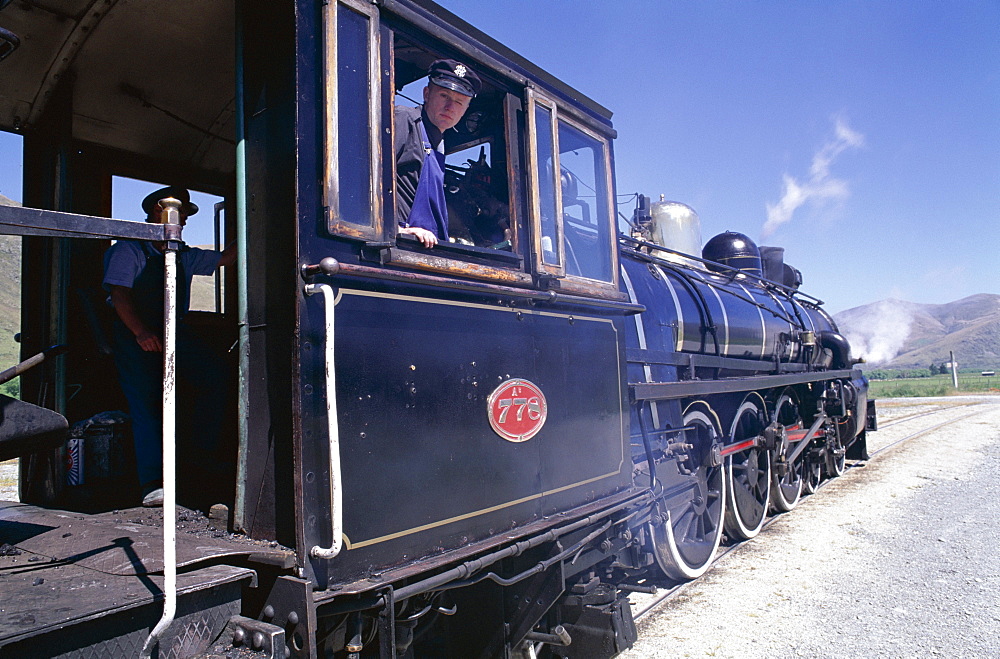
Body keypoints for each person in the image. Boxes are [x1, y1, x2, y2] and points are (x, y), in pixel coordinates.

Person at [103, 186, 235, 507]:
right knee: (146, 402)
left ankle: (199, 455)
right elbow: (119, 296)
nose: (184, 223)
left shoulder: (183, 254)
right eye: (177, 215)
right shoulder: (129, 250)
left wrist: (250, 227)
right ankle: (152, 482)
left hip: (175, 333)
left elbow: (223, 259)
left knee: (214, 377)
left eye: (185, 217)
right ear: (154, 215)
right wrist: (141, 332)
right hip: (136, 335)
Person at [395, 59, 481, 248]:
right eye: (444, 96)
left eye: (459, 102)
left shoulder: (439, 145)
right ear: (427, 94)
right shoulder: (405, 119)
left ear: (466, 109)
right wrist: (395, 229)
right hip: (400, 247)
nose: (450, 107)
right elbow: (364, 177)